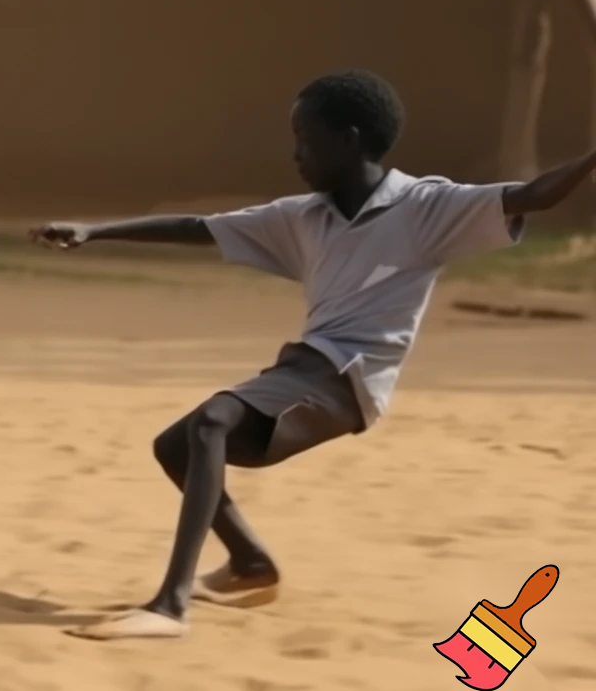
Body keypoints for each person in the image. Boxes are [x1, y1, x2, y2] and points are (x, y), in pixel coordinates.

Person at [31, 70, 595, 641]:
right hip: (303, 367)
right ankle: (251, 564)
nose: (294, 152)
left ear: (348, 140)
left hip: (346, 380)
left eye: (305, 136)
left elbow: (535, 194)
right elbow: (199, 227)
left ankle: (169, 607)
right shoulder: (303, 217)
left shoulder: (428, 208)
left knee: (210, 423)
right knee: (175, 445)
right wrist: (95, 230)